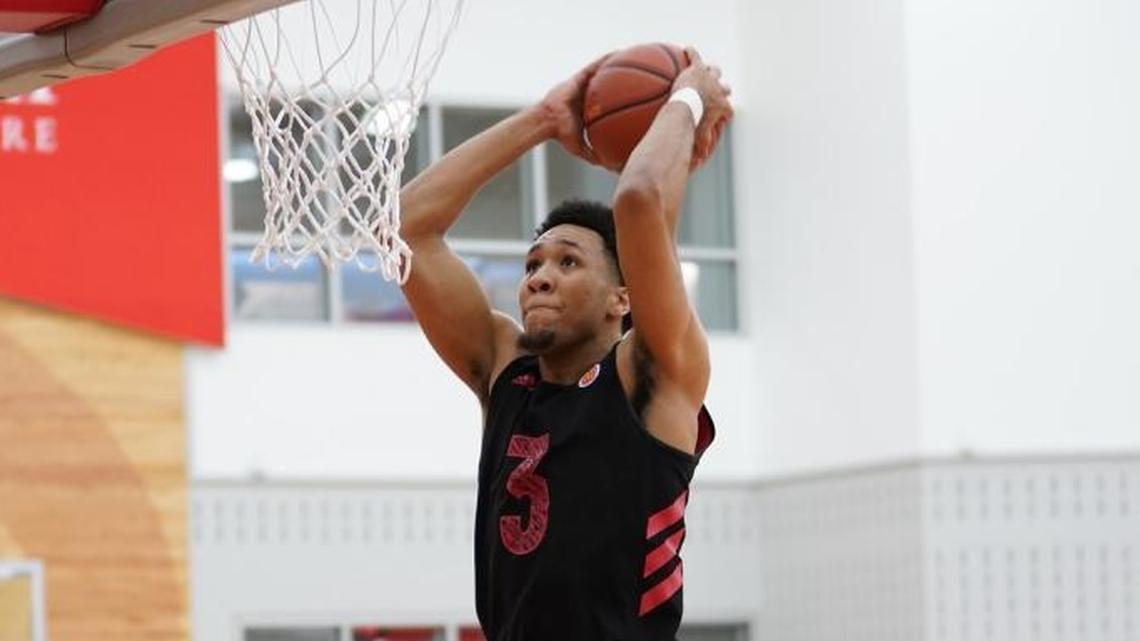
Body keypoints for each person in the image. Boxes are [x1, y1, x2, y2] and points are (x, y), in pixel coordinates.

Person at [398, 47, 733, 641]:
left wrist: (686, 98)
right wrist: (545, 118)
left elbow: (638, 201)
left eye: (568, 261)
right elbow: (408, 229)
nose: (539, 277)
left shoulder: (651, 372)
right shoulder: (507, 373)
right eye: (533, 263)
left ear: (620, 299)